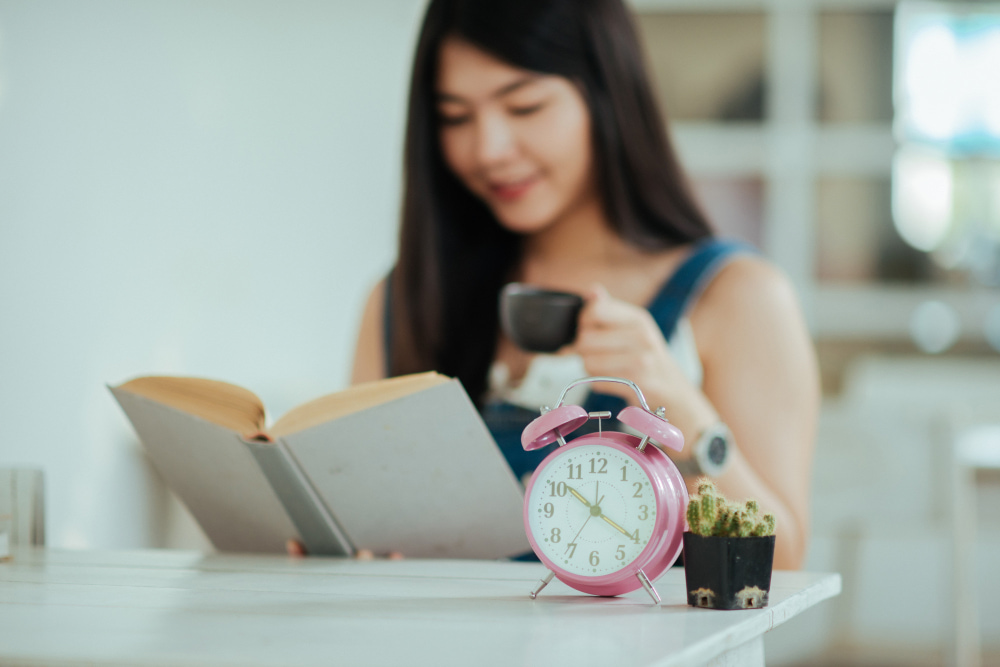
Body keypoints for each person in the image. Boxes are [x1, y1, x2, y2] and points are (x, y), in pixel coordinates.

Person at [349, 0, 819, 570]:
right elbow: (368, 525)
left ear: (608, 94)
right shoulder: (404, 300)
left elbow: (783, 561)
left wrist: (684, 415)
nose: (488, 149)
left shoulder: (738, 296)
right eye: (454, 116)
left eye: (524, 106)